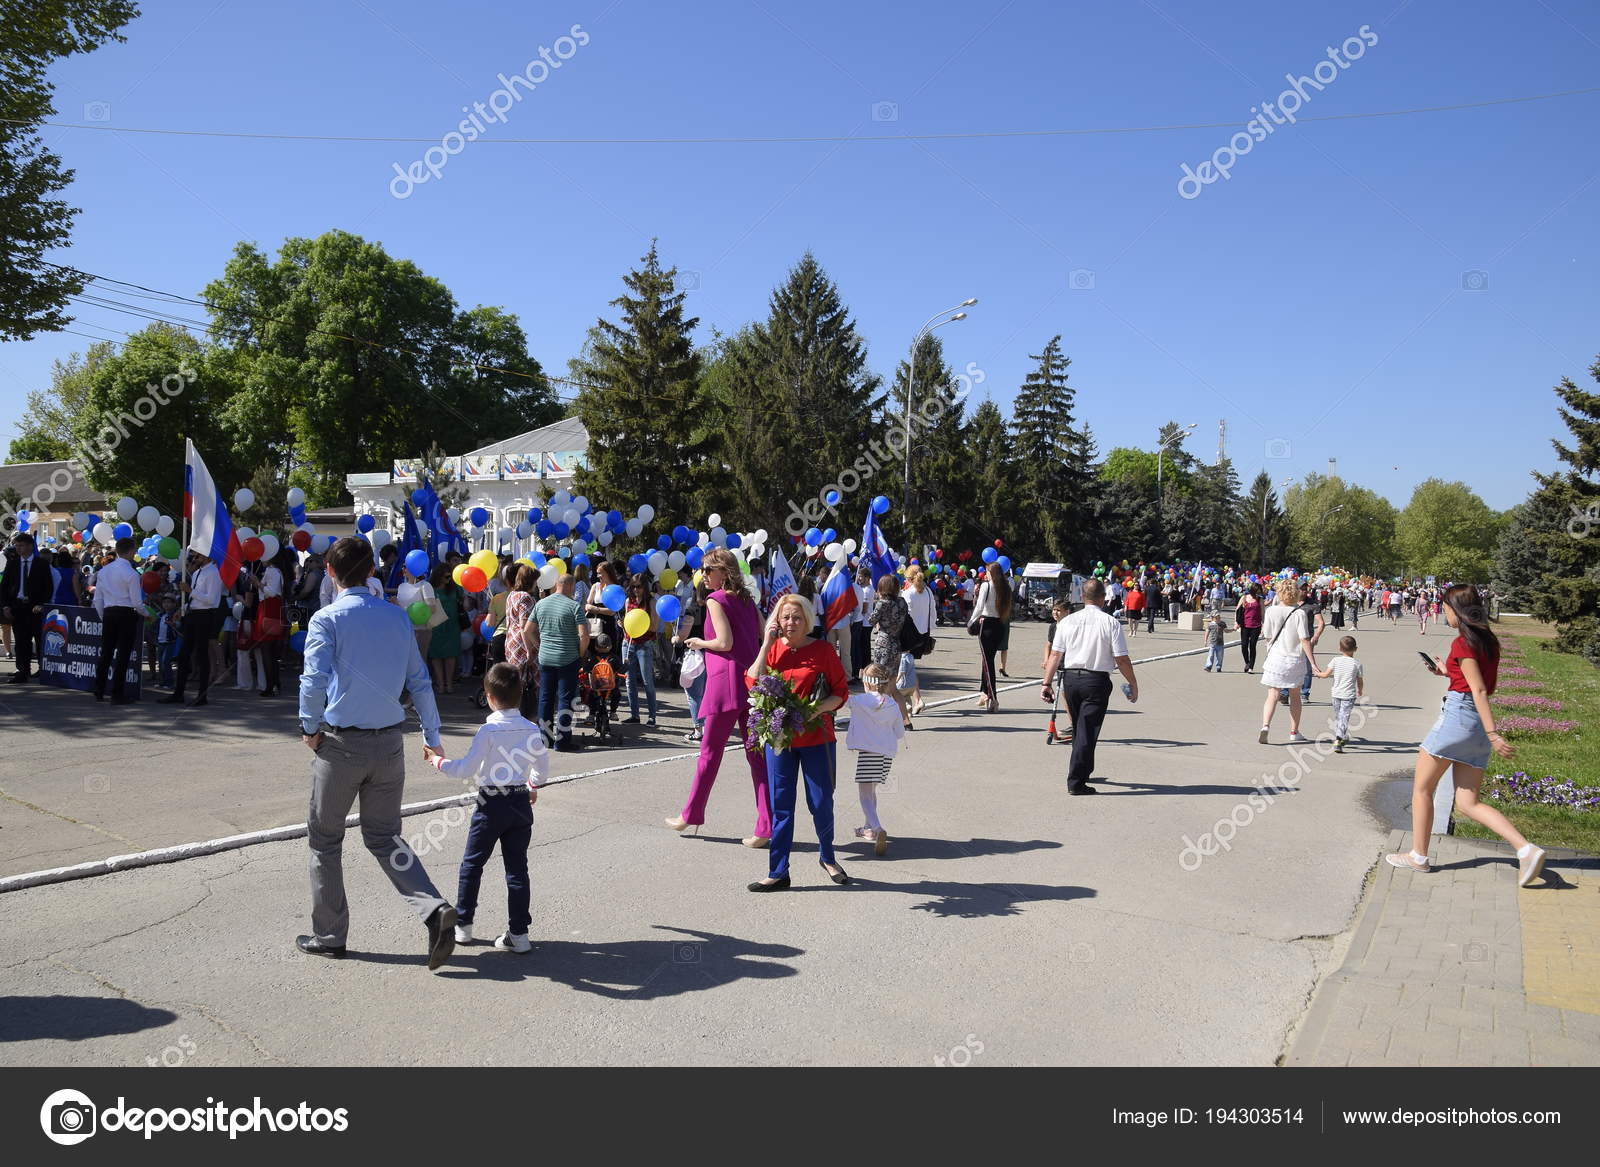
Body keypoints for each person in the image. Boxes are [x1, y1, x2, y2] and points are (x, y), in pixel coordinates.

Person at [295, 536, 457, 969]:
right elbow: (419, 681)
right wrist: (432, 734)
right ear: (371, 571)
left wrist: (309, 729)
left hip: (341, 745)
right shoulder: (397, 618)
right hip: (389, 744)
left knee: (325, 841)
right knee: (385, 838)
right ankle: (433, 909)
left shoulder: (326, 619)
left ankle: (330, 935)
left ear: (331, 573)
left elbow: (313, 680)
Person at [1387, 585, 1545, 886]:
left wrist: (1495, 734)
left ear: (1457, 609)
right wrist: (1447, 672)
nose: (1443, 612)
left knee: (1422, 789)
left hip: (1459, 718)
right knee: (1468, 802)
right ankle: (1526, 849)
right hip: (1475, 728)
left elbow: (1479, 689)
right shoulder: (1487, 640)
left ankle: (1418, 856)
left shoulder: (1463, 643)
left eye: (1445, 607)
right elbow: (1476, 680)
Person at [424, 663, 548, 954]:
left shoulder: (488, 730)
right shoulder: (532, 729)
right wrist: (531, 786)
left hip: (491, 803)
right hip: (519, 801)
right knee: (517, 870)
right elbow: (541, 770)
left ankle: (464, 925)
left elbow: (465, 768)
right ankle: (519, 933)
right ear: (520, 695)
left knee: (472, 864)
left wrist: (436, 761)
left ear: (489, 696)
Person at [746, 593, 849, 890]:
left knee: (820, 802)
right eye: (785, 617)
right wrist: (766, 643)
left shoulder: (823, 651)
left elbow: (840, 693)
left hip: (817, 737)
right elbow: (752, 682)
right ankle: (778, 871)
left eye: (797, 617)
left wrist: (814, 709)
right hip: (780, 739)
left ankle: (828, 857)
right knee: (781, 806)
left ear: (807, 620)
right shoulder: (773, 650)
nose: (791, 622)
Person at [668, 549, 770, 846]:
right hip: (750, 682)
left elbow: (724, 643)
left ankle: (690, 814)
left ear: (722, 572)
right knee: (757, 758)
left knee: (710, 754)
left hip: (726, 682)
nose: (702, 574)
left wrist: (700, 642)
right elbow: (763, 633)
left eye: (707, 569)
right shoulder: (747, 600)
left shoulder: (716, 599)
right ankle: (765, 826)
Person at [1040, 577, 1137, 794]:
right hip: (1096, 681)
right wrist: (1133, 682)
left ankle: (1084, 769)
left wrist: (1046, 683)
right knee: (1086, 730)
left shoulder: (1067, 622)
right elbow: (1121, 658)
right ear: (1103, 598)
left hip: (1071, 680)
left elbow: (1055, 654)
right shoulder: (1110, 622)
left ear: (1083, 598)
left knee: (1080, 728)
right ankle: (1076, 781)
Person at [526, 571, 588, 752]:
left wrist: (539, 645)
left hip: (546, 658)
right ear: (570, 586)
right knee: (565, 699)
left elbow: (527, 630)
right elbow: (584, 635)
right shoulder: (574, 606)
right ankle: (562, 742)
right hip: (568, 658)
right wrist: (580, 653)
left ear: (556, 585)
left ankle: (544, 739)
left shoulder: (541, 604)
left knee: (545, 699)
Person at [847, 662, 903, 856]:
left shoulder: (859, 701)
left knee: (864, 794)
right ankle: (868, 828)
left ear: (867, 683)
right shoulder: (893, 704)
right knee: (871, 791)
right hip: (887, 753)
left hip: (869, 753)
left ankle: (877, 828)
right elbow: (899, 732)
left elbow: (840, 700)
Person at [160, 552, 224, 706]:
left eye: (199, 555)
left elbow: (211, 599)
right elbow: (193, 599)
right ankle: (178, 693)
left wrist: (190, 590)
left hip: (205, 615)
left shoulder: (214, 573)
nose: (195, 558)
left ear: (208, 556)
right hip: (192, 614)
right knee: (184, 654)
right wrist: (182, 609)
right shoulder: (197, 573)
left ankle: (202, 695)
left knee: (202, 655)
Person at [1257, 580, 1316, 745]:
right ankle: (1293, 731)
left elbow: (1267, 635)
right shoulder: (1299, 613)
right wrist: (1312, 662)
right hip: (1294, 659)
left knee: (1272, 695)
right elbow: (1304, 639)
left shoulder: (1270, 611)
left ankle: (1266, 726)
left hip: (1275, 658)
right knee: (1295, 696)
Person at [92, 536, 144, 703]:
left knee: (106, 653)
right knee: (123, 654)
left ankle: (99, 689)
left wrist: (103, 615)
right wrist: (145, 613)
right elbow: (136, 602)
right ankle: (117, 693)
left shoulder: (104, 571)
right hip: (126, 614)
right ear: (130, 552)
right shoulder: (131, 574)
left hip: (109, 612)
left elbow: (97, 599)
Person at [2, 533, 54, 683]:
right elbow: (4, 586)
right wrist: (5, 606)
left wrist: (42, 603)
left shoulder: (41, 564)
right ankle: (22, 671)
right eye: (17, 545)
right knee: (20, 641)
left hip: (35, 608)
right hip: (17, 607)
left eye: (21, 545)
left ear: (30, 546)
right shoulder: (12, 563)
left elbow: (48, 587)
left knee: (39, 640)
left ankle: (42, 670)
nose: (18, 548)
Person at [866, 573, 912, 729]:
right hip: (896, 645)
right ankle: (906, 721)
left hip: (883, 645)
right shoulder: (902, 602)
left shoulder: (882, 604)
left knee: (879, 684)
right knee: (893, 687)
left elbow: (871, 620)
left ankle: (881, 720)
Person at [673, 573, 711, 742]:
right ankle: (709, 729)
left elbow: (683, 635)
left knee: (693, 693)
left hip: (696, 656)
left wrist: (675, 638)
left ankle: (698, 730)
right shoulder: (715, 608)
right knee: (708, 693)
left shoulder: (692, 610)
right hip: (714, 653)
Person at [971, 562, 1011, 713]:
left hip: (987, 625)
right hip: (999, 624)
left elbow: (980, 607)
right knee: (987, 660)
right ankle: (984, 693)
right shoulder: (1005, 587)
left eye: (987, 572)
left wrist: (970, 621)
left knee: (988, 663)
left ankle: (993, 698)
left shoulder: (986, 586)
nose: (985, 574)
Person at [1314, 635, 1365, 752]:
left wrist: (1317, 673)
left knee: (1339, 716)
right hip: (1349, 695)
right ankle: (1339, 738)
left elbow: (1325, 674)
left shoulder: (1335, 660)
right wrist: (1360, 690)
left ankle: (1342, 735)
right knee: (1344, 716)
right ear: (1355, 649)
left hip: (1336, 693)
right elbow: (1360, 680)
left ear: (1340, 649)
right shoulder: (1357, 664)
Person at [621, 572, 659, 726]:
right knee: (629, 681)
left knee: (647, 681)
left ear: (645, 587)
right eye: (633, 587)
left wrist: (641, 625)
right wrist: (625, 627)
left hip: (644, 644)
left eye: (639, 587)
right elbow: (626, 621)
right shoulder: (627, 601)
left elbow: (655, 626)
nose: (636, 590)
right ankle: (634, 715)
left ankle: (652, 717)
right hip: (628, 643)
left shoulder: (651, 602)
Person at [899, 567, 936, 716]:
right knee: (909, 667)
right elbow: (933, 611)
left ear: (909, 579)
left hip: (909, 635)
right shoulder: (928, 591)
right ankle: (909, 701)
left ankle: (916, 699)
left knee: (906, 667)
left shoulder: (908, 593)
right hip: (923, 633)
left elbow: (904, 616)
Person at [427, 563, 464, 694]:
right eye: (447, 576)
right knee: (436, 655)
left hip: (452, 625)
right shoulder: (430, 589)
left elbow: (465, 602)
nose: (449, 579)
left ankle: (449, 684)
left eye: (450, 576)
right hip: (436, 625)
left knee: (451, 654)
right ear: (438, 576)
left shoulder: (455, 589)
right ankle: (440, 684)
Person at [397, 559, 437, 660]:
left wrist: (398, 605)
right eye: (403, 566)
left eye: (406, 566)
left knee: (420, 662)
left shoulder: (425, 585)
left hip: (420, 631)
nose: (403, 569)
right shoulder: (401, 586)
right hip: (403, 630)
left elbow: (432, 609)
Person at [1235, 584, 1264, 674]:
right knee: (1244, 645)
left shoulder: (1260, 599)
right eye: (1257, 591)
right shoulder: (1244, 598)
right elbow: (1237, 610)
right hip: (1245, 625)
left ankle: (1251, 667)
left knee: (1252, 645)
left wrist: (1264, 625)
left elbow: (1263, 613)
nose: (1258, 593)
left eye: (1259, 591)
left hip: (1256, 626)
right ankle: (1247, 662)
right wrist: (1236, 623)